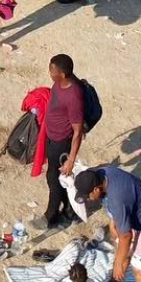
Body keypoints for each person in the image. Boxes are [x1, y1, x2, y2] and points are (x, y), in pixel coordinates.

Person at [73, 167, 141, 282]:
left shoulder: (117, 199)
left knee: (139, 273)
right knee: (119, 245)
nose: (87, 199)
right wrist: (113, 221)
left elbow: (126, 236)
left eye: (87, 196)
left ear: (96, 190)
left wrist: (118, 263)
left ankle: (120, 275)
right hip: (135, 217)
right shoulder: (101, 173)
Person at [36, 55, 86, 232]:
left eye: (53, 72)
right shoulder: (60, 83)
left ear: (63, 74)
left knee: (54, 178)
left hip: (61, 142)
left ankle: (50, 216)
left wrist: (71, 160)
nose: (50, 73)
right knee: (59, 178)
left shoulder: (74, 96)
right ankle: (70, 211)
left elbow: (78, 131)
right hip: (51, 137)